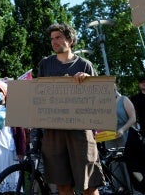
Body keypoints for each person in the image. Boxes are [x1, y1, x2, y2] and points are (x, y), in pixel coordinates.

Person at [37, 23, 105, 195]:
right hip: (54, 131)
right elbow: (37, 97)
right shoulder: (45, 65)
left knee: (89, 184)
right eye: (52, 39)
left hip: (80, 131)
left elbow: (98, 100)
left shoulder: (85, 65)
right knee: (62, 185)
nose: (54, 41)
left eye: (58, 37)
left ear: (71, 40)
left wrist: (89, 81)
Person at [104, 84, 136, 193]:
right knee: (114, 164)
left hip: (125, 135)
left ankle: (133, 188)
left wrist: (122, 129)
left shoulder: (124, 99)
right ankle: (120, 189)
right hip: (109, 137)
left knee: (128, 162)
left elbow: (133, 118)